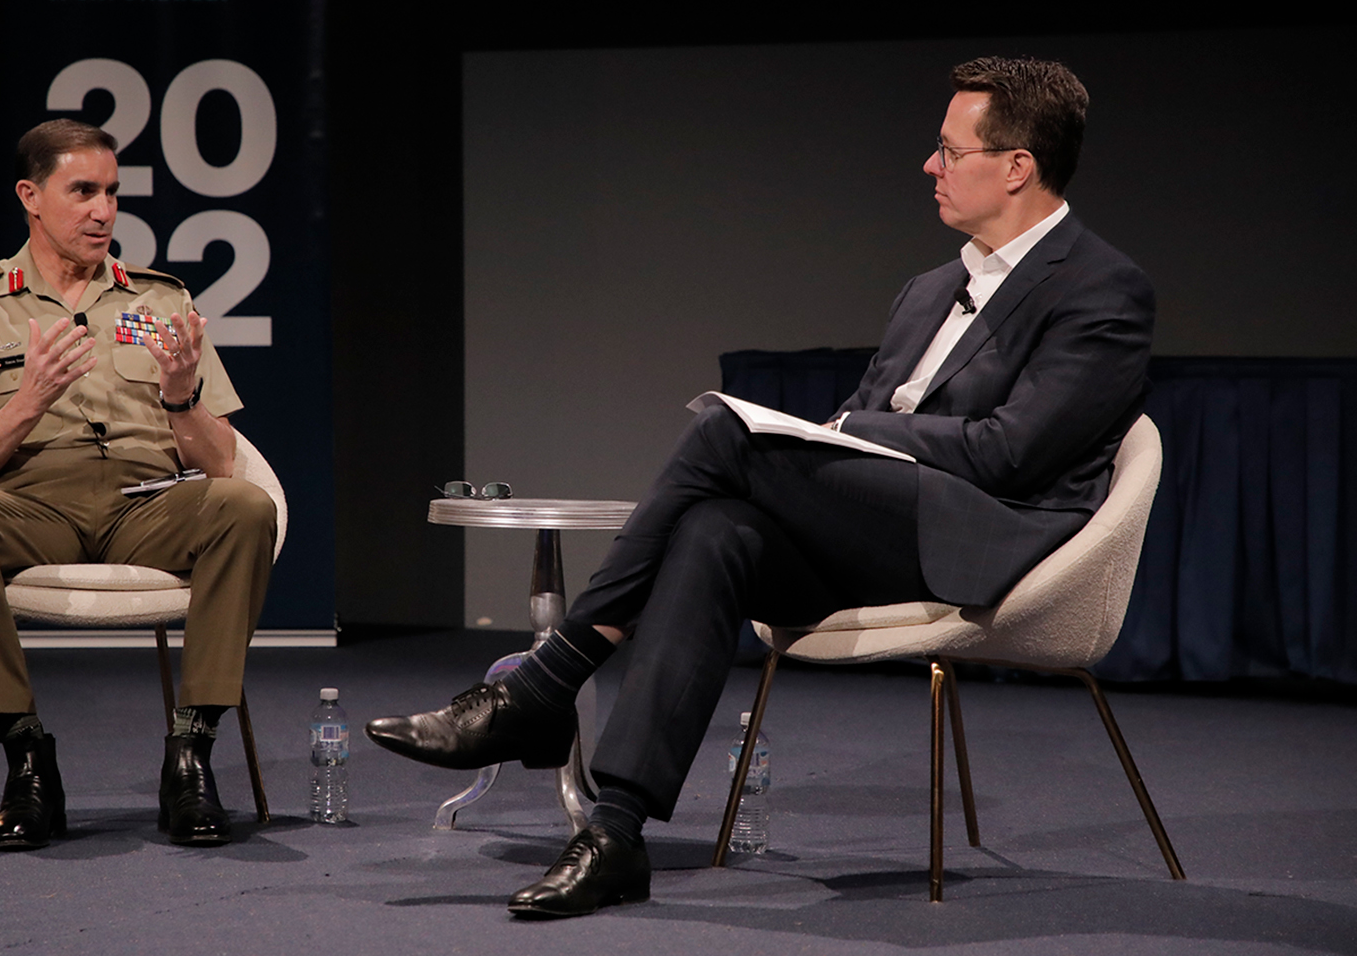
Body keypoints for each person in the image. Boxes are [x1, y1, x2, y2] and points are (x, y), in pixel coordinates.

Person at [367, 56, 1154, 916]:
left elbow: (1011, 456)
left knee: (722, 435)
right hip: (883, 536)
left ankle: (546, 685)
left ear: (1016, 166)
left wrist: (852, 434)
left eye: (948, 149)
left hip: (989, 548)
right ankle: (615, 830)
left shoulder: (1102, 289)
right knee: (715, 531)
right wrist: (846, 435)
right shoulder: (930, 289)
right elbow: (863, 425)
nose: (929, 166)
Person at [0, 119, 277, 850]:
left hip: (148, 506)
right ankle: (26, 753)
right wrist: (27, 402)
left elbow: (224, 461)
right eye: (83, 191)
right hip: (31, 504)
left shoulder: (163, 302)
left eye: (111, 192)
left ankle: (191, 755)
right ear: (31, 197)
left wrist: (178, 394)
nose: (103, 210)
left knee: (244, 506)